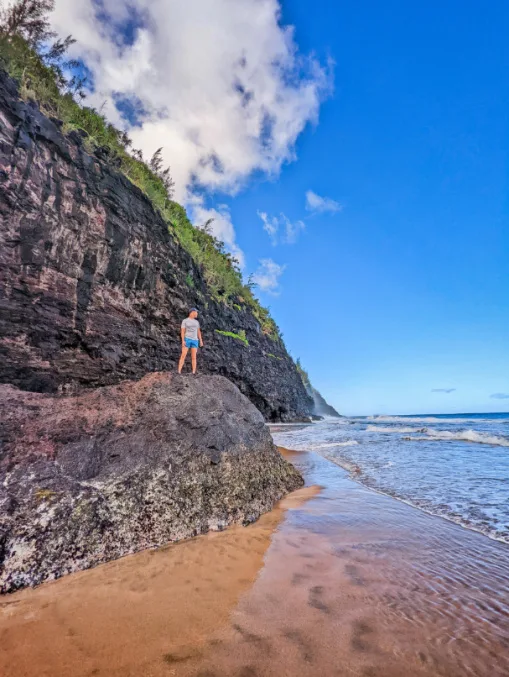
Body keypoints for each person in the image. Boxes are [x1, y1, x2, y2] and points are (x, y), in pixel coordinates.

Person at [178, 308, 204, 374]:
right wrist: (183, 340)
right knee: (183, 355)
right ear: (192, 312)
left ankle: (193, 372)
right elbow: (182, 331)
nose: (197, 314)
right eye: (196, 312)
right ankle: (179, 371)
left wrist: (200, 340)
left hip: (195, 340)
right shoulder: (185, 321)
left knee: (194, 356)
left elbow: (198, 332)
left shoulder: (196, 322)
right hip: (187, 339)